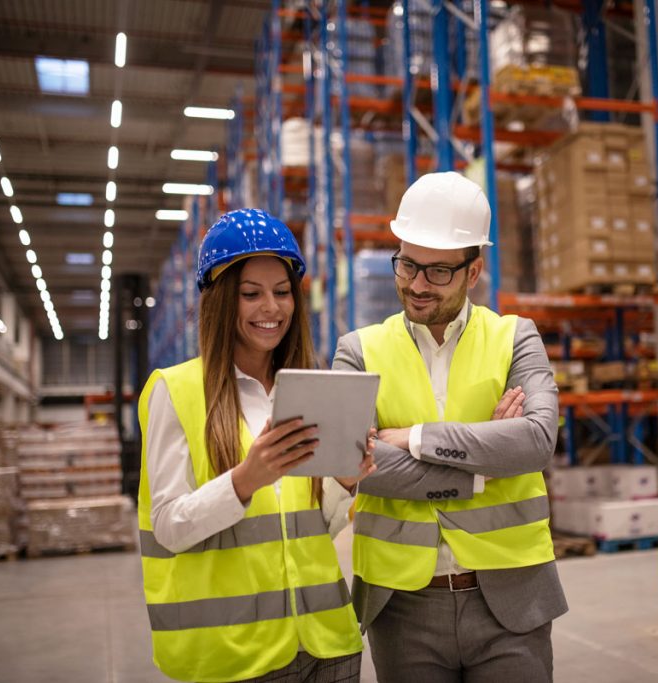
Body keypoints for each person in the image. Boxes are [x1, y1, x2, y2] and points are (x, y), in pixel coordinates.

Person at [333, 172, 568, 682]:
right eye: (408, 264)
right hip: (401, 604)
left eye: (438, 271)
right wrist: (484, 464)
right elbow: (352, 461)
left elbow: (535, 441)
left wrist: (415, 438)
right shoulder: (357, 350)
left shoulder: (515, 337)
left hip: (512, 596)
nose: (417, 284)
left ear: (473, 271)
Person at [137, 209, 374, 683]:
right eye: (252, 294)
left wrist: (345, 482)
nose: (272, 308)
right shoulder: (177, 390)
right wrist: (245, 480)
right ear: (221, 300)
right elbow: (168, 526)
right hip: (237, 654)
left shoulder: (309, 389)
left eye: (282, 292)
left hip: (327, 640)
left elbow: (309, 531)